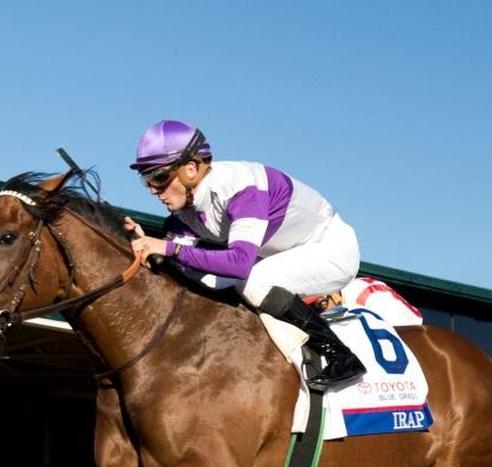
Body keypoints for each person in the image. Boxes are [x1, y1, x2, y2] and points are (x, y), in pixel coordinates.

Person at [125, 118, 365, 389]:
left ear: (191, 169)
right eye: (146, 180)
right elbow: (176, 257)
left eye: (159, 178)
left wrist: (168, 248)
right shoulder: (184, 210)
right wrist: (144, 243)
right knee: (206, 279)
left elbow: (239, 264)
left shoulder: (242, 189)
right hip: (279, 254)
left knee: (252, 282)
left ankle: (341, 355)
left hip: (330, 248)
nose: (154, 191)